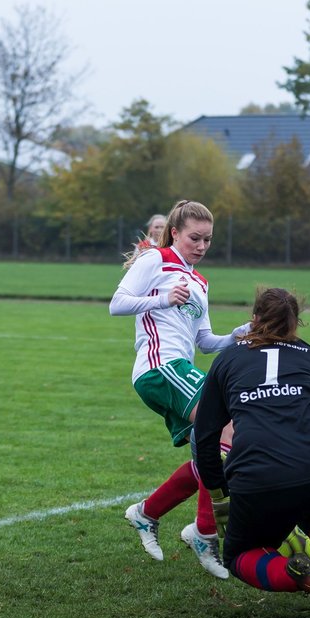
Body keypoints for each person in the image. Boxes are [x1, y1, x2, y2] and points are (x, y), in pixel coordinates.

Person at [193, 287, 310, 618]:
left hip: (263, 477)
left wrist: (219, 495)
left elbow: (205, 439)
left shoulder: (228, 358)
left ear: (254, 319)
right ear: (295, 323)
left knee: (239, 553)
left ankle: (297, 575)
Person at [109, 199, 247, 579]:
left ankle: (147, 512)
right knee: (229, 425)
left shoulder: (200, 281)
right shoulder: (155, 260)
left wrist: (234, 336)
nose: (201, 246)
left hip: (180, 366)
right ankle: (204, 532)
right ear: (175, 233)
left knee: (209, 455)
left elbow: (204, 341)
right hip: (159, 367)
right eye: (195, 238)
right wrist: (163, 298)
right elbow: (116, 304)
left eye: (208, 240)